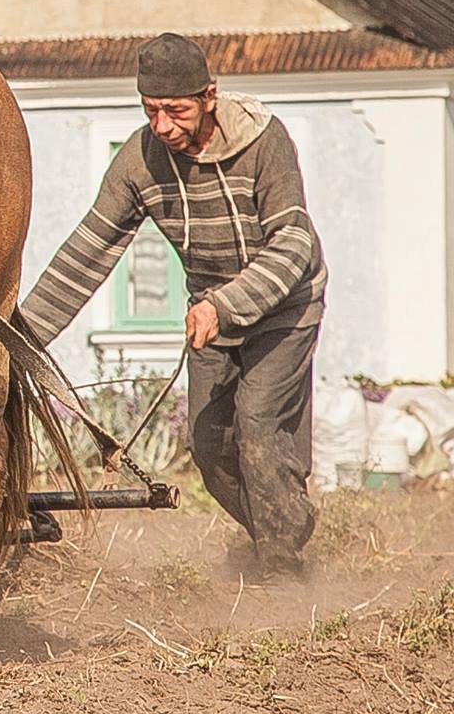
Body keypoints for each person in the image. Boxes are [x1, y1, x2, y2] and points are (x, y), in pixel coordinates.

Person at [20, 32, 326, 577]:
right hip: (212, 315)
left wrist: (225, 305)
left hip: (286, 308)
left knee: (257, 422)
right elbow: (90, 249)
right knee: (208, 448)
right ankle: (277, 533)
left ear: (209, 96)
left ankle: (282, 568)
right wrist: (18, 336)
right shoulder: (140, 161)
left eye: (176, 111)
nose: (163, 126)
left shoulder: (264, 142)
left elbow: (295, 244)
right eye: (150, 111)